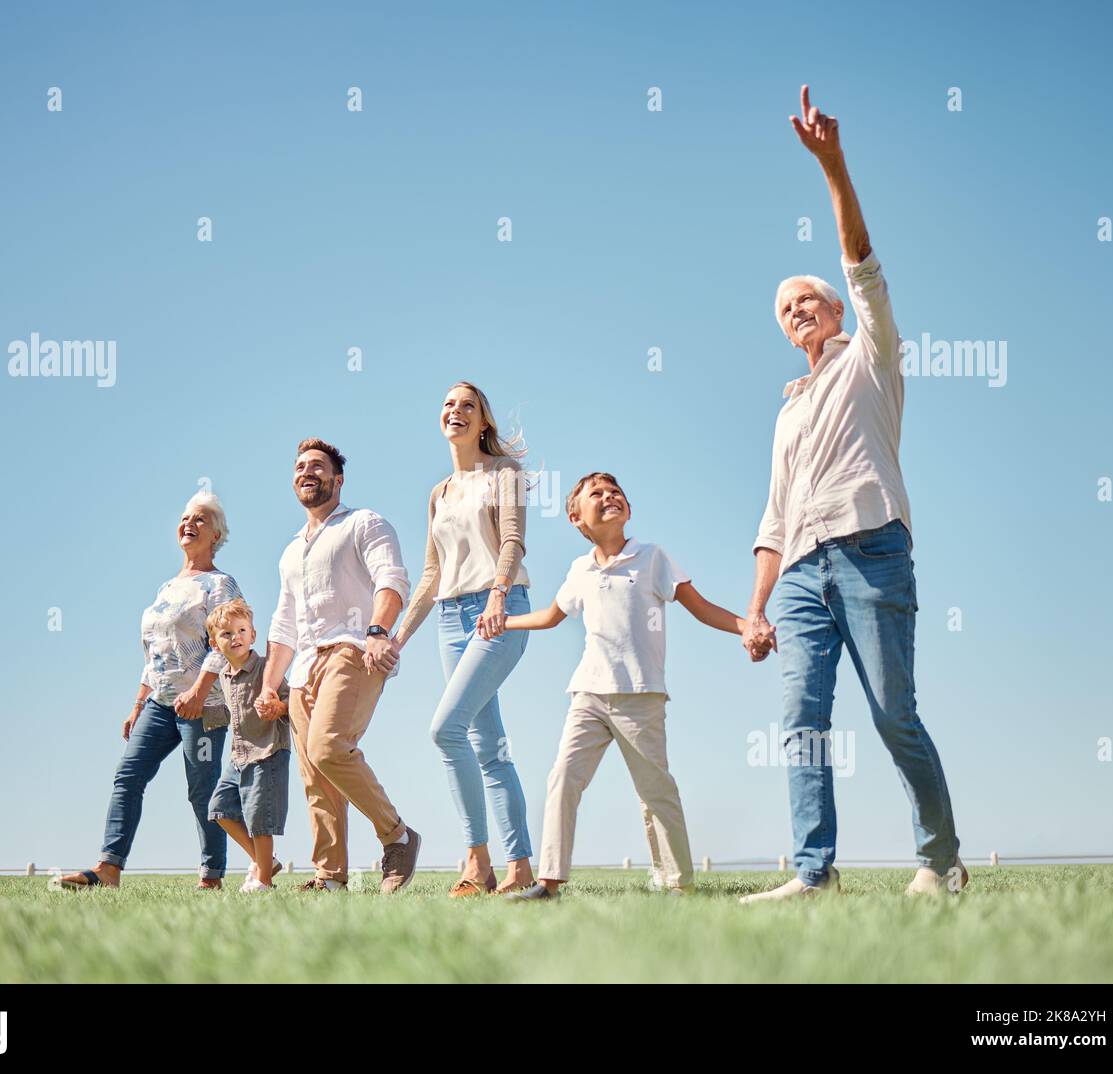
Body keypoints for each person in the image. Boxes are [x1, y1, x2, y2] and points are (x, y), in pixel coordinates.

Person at [739, 86, 965, 903]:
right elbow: (772, 520)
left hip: (872, 550)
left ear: (837, 311)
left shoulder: (873, 356)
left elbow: (861, 257)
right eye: (785, 310)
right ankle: (812, 871)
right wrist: (757, 607)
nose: (798, 311)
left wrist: (832, 165)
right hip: (799, 574)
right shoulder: (787, 410)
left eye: (808, 300)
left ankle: (940, 861)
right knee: (801, 725)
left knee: (893, 714)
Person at [503, 472, 748, 901]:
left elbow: (701, 607)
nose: (609, 496)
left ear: (628, 510)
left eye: (615, 492)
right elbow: (549, 616)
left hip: (641, 695)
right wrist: (502, 622)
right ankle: (550, 882)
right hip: (589, 694)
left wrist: (747, 627)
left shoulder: (653, 558)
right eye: (595, 494)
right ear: (577, 519)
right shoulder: (579, 569)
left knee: (655, 790)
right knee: (562, 778)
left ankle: (678, 883)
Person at [259, 438, 422, 893]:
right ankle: (330, 877)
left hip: (353, 650)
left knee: (329, 747)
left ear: (338, 478)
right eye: (299, 467)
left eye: (317, 466)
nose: (306, 472)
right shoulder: (291, 551)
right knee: (315, 772)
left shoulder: (363, 523)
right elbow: (284, 623)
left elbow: (393, 579)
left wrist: (377, 632)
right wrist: (271, 685)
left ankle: (398, 836)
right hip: (302, 669)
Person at [392, 382, 535, 897]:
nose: (456, 411)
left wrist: (498, 595)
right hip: (450, 621)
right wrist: (398, 636)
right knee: (488, 746)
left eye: (467, 406)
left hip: (499, 610)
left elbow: (514, 539)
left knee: (444, 730)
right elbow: (432, 575)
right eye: (448, 405)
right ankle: (518, 867)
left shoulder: (505, 475)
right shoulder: (439, 493)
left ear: (483, 423)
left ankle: (477, 860)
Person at [60, 492, 241, 891]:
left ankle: (213, 876)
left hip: (204, 706)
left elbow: (226, 643)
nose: (189, 523)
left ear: (216, 534)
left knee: (201, 790)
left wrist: (198, 691)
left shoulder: (220, 584)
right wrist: (137, 704)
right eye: (184, 517)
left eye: (200, 519)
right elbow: (155, 652)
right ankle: (109, 868)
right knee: (128, 776)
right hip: (159, 705)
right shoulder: (166, 588)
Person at [205, 598, 292, 893]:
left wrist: (279, 706)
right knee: (219, 809)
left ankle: (264, 880)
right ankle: (263, 860)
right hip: (239, 756)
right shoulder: (224, 677)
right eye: (227, 634)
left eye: (242, 630)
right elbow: (228, 712)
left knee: (259, 819)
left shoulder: (266, 669)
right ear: (215, 644)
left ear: (253, 635)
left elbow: (292, 701)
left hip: (267, 751)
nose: (236, 637)